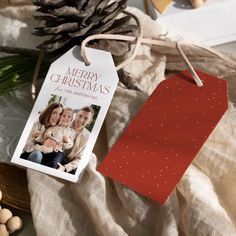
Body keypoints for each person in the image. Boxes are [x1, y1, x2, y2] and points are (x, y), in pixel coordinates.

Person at [46, 106, 94, 173]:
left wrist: (65, 168)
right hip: (54, 153)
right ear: (76, 115)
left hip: (69, 164)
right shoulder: (63, 123)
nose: (81, 120)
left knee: (77, 171)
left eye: (86, 118)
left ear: (89, 121)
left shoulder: (88, 137)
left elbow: (81, 159)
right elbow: (51, 129)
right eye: (80, 116)